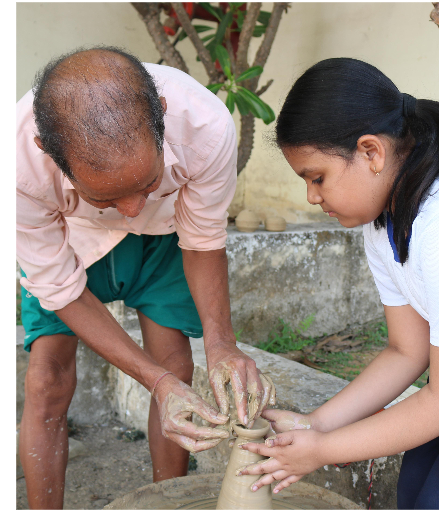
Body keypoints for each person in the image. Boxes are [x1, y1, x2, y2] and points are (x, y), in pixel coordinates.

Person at [240, 58, 439, 510]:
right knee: (415, 489)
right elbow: (406, 351)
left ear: (371, 152)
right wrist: (315, 425)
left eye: (317, 178)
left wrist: (323, 452)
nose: (312, 197)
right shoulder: (384, 222)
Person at [17, 48, 274, 509]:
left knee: (177, 366)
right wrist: (153, 383)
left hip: (166, 235)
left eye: (147, 182)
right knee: (47, 379)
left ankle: (165, 504)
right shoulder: (15, 166)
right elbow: (59, 288)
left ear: (162, 114)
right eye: (107, 196)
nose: (132, 209)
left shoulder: (205, 126)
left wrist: (221, 345)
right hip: (70, 237)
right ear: (47, 151)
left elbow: (202, 240)